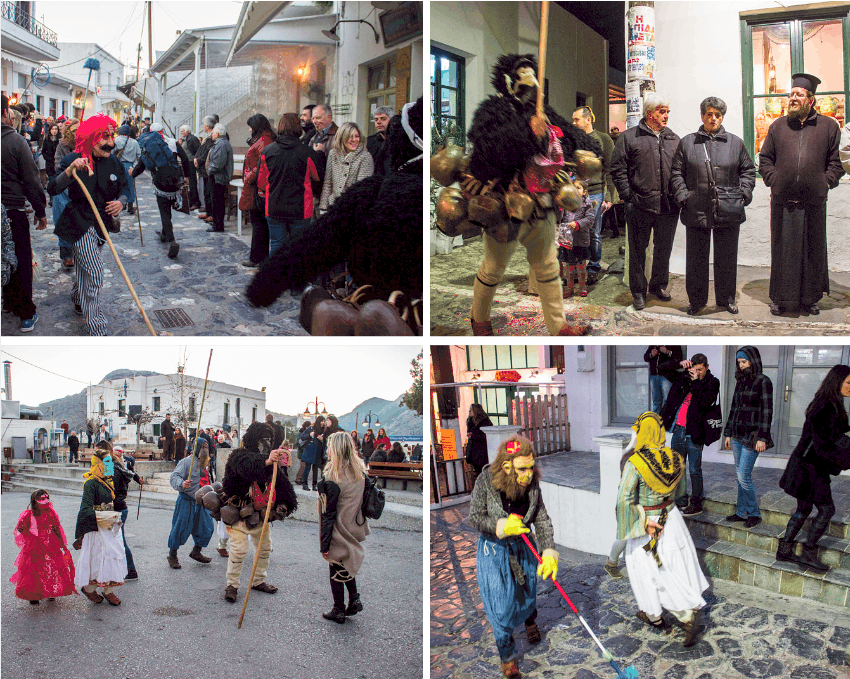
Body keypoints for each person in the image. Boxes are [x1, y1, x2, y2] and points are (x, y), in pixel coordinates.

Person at [462, 55, 599, 337]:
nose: (530, 87)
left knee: (548, 267)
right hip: (504, 205)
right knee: (493, 269)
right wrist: (527, 130)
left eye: (533, 80)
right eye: (522, 80)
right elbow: (488, 152)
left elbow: (578, 141)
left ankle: (559, 326)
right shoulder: (493, 110)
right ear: (509, 82)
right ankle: (480, 321)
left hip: (542, 204)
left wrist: (564, 137)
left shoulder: (543, 111)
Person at [468, 435, 558, 679]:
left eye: (531, 467)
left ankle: (530, 620)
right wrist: (500, 525)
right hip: (495, 551)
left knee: (527, 592)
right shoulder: (486, 480)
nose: (529, 474)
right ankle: (508, 657)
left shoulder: (532, 483)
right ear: (507, 467)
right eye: (522, 469)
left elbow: (541, 517)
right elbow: (474, 517)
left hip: (524, 547)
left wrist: (548, 549)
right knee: (500, 607)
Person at [616, 412, 708, 647]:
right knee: (675, 565)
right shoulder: (676, 458)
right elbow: (680, 493)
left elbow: (624, 500)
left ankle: (684, 613)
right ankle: (654, 614)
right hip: (672, 519)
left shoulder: (635, 462)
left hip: (649, 523)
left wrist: (641, 521)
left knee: (649, 571)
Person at [759, 73, 845, 315]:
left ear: (811, 100)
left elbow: (836, 164)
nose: (793, 99)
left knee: (812, 251)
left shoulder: (829, 127)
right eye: (791, 94)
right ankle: (781, 299)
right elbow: (765, 159)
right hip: (783, 202)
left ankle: (810, 299)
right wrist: (774, 180)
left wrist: (824, 182)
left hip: (813, 203)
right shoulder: (777, 127)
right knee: (783, 252)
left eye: (798, 95)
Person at [670, 97, 757, 315]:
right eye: (709, 114)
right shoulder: (688, 142)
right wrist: (684, 196)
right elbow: (676, 173)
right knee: (696, 259)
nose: (713, 118)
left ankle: (726, 299)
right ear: (702, 116)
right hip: (696, 207)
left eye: (717, 115)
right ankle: (697, 301)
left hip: (729, 209)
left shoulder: (735, 143)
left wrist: (743, 194)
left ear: (722, 117)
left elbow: (748, 170)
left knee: (726, 257)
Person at [48, 114, 129, 336]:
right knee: (94, 272)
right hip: (78, 224)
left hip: (102, 224)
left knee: (85, 269)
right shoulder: (73, 159)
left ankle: (77, 296)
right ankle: (96, 326)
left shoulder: (114, 161)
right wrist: (69, 171)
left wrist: (121, 202)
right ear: (92, 139)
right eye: (105, 139)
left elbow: (126, 187)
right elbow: (53, 188)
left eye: (111, 137)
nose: (111, 143)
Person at [610, 93, 681, 310]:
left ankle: (658, 286)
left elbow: (680, 170)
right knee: (638, 251)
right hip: (639, 205)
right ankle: (638, 292)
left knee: (663, 250)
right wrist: (627, 196)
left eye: (668, 111)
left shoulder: (674, 139)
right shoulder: (629, 137)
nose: (666, 115)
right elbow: (617, 169)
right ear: (650, 113)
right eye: (662, 111)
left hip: (668, 207)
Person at [778, 365, 850, 572]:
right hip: (811, 466)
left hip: (806, 462)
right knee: (827, 510)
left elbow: (833, 431)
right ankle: (808, 553)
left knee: (804, 508)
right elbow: (823, 442)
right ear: (837, 382)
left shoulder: (829, 402)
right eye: (848, 383)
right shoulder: (826, 405)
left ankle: (784, 550)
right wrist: (844, 457)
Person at [220, 421, 297, 602]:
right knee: (239, 550)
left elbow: (281, 483)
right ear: (253, 439)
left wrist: (286, 503)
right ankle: (232, 585)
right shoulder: (238, 456)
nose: (266, 443)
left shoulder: (272, 461)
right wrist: (267, 461)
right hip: (238, 512)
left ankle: (258, 580)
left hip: (259, 513)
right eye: (263, 440)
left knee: (264, 548)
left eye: (269, 440)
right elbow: (248, 466)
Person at [1, 94, 47, 333]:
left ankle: (8, 301)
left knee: (3, 257)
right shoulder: (16, 142)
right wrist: (41, 211)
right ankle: (26, 313)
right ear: (6, 114)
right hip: (11, 210)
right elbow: (31, 180)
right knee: (19, 261)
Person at [660, 353, 720, 516]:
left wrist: (696, 381)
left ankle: (696, 503)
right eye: (695, 370)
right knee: (678, 468)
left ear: (706, 367)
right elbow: (661, 368)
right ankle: (680, 501)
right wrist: (679, 363)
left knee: (694, 469)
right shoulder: (683, 377)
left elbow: (704, 401)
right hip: (678, 430)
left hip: (695, 432)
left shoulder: (712, 382)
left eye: (700, 370)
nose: (698, 373)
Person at [318, 432, 369, 623]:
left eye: (330, 446)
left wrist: (324, 545)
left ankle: (338, 609)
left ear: (337, 449)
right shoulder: (359, 472)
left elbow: (328, 513)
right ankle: (354, 600)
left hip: (338, 527)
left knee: (335, 566)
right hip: (354, 524)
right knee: (345, 563)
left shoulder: (333, 476)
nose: (327, 450)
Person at [257, 112, 324, 258]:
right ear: (298, 127)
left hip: (274, 206)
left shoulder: (267, 151)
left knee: (276, 245)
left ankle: (277, 278)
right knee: (298, 248)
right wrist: (319, 154)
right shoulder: (306, 151)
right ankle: (297, 279)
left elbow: (261, 182)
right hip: (300, 208)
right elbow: (317, 176)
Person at [723, 347, 773, 529]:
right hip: (736, 435)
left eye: (743, 362)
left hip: (752, 437)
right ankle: (740, 511)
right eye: (739, 363)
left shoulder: (763, 381)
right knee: (739, 476)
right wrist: (727, 433)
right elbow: (733, 409)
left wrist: (763, 437)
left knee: (744, 476)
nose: (741, 366)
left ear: (753, 361)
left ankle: (754, 513)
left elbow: (767, 412)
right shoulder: (741, 381)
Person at [73, 447, 126, 605]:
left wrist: (114, 518)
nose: (111, 465)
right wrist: (104, 516)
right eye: (107, 462)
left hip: (108, 526)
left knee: (112, 557)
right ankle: (89, 589)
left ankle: (108, 591)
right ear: (99, 464)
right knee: (99, 560)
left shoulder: (108, 481)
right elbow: (86, 508)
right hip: (97, 529)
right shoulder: (91, 484)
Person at [571, 106, 615, 285]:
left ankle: (593, 268)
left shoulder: (603, 139)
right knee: (575, 231)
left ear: (588, 119)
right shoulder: (573, 140)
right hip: (575, 193)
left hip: (596, 193)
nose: (573, 123)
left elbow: (610, 169)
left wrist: (609, 196)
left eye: (576, 120)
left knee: (594, 232)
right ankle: (577, 267)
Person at [11, 489, 76, 605]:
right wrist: (27, 532)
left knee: (51, 567)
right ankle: (33, 594)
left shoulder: (51, 512)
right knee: (34, 570)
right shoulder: (28, 514)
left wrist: (61, 542)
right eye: (42, 499)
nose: (46, 501)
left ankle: (50, 591)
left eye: (47, 498)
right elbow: (21, 528)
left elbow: (56, 527)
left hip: (51, 543)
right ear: (35, 501)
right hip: (34, 545)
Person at [132, 123, 187, 258]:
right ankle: (164, 233)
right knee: (168, 209)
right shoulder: (172, 142)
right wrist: (187, 177)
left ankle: (171, 240)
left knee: (164, 212)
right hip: (175, 180)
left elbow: (140, 166)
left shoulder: (148, 147)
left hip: (160, 182)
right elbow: (185, 159)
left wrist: (132, 174)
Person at [167, 439, 215, 569]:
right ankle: (172, 555)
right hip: (186, 500)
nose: (205, 448)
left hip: (201, 502)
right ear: (196, 448)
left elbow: (208, 480)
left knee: (207, 527)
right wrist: (182, 483)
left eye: (206, 446)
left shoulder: (206, 462)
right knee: (180, 528)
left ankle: (196, 551)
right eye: (202, 446)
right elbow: (174, 476)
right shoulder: (186, 462)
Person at [240, 114, 276, 268]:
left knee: (259, 223)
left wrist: (249, 177)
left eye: (250, 126)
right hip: (256, 185)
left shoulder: (264, 141)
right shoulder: (263, 139)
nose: (249, 129)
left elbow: (262, 164)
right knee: (259, 223)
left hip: (259, 187)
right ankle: (258, 257)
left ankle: (258, 258)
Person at [318, 122, 374, 215]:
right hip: (333, 206)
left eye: (356, 136)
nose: (354, 140)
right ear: (342, 138)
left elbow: (362, 190)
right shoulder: (333, 154)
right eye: (350, 136)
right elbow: (328, 183)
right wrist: (323, 208)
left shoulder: (365, 157)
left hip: (352, 210)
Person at [554, 177, 594, 298]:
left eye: (578, 188)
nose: (575, 190)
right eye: (573, 188)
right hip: (567, 240)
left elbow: (590, 219)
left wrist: (577, 224)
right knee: (569, 266)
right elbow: (560, 217)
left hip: (580, 240)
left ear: (584, 191)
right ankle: (569, 287)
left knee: (581, 265)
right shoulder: (566, 202)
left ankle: (582, 286)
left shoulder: (587, 204)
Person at [111, 446, 145, 580]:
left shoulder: (116, 469)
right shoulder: (120, 467)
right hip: (120, 506)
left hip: (118, 507)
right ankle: (124, 568)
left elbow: (112, 489)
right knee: (117, 540)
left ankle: (130, 569)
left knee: (120, 540)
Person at [52, 117, 79, 270]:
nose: (76, 134)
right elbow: (58, 165)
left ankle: (78, 250)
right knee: (62, 219)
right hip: (64, 187)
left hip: (80, 189)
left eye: (78, 131)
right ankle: (67, 255)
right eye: (73, 131)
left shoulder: (85, 145)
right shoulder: (62, 146)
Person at [644, 346, 683, 414]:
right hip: (653, 376)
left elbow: (679, 359)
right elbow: (646, 358)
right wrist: (651, 354)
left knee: (667, 401)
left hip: (667, 377)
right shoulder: (653, 345)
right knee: (656, 401)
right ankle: (656, 421)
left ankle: (666, 421)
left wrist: (667, 352)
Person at [113, 125, 141, 215]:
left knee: (119, 185)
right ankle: (130, 205)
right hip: (130, 166)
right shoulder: (134, 142)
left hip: (118, 165)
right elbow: (139, 156)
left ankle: (121, 204)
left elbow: (112, 153)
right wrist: (135, 167)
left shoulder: (116, 140)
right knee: (130, 185)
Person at [194, 117, 216, 219]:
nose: (203, 126)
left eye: (204, 124)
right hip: (204, 168)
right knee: (206, 192)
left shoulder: (212, 138)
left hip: (208, 169)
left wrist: (198, 160)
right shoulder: (207, 137)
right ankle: (208, 212)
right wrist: (196, 159)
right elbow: (201, 150)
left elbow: (207, 152)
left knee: (209, 192)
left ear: (207, 126)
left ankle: (211, 214)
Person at [465, 403, 493, 482]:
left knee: (483, 472)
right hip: (473, 452)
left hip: (482, 452)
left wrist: (473, 436)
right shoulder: (470, 421)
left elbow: (486, 436)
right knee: (478, 472)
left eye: (471, 409)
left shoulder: (484, 422)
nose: (469, 411)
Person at [176, 124, 201, 210]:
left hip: (191, 163)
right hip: (188, 163)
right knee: (190, 183)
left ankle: (195, 202)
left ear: (187, 131)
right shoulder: (187, 139)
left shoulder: (191, 139)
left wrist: (195, 159)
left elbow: (197, 151)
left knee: (192, 182)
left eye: (182, 131)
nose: (181, 132)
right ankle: (192, 201)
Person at [301, 415, 326, 491]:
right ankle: (304, 484)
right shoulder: (311, 428)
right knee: (307, 468)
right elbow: (302, 436)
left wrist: (322, 440)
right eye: (322, 421)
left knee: (315, 469)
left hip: (318, 451)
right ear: (318, 421)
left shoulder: (324, 430)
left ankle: (314, 485)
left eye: (324, 421)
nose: (323, 423)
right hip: (310, 450)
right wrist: (309, 435)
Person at [366, 105, 394, 175]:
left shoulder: (401, 141)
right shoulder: (369, 142)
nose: (378, 122)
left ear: (393, 120)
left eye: (383, 119)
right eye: (376, 119)